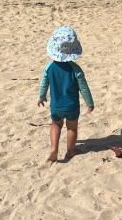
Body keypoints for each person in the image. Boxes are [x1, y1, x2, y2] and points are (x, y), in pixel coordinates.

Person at [37, 26, 94, 162]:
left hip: (56, 106)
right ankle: (70, 151)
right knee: (72, 128)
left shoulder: (49, 68)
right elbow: (84, 88)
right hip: (72, 106)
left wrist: (41, 96)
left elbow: (44, 83)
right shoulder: (76, 69)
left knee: (55, 125)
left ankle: (54, 149)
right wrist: (90, 103)